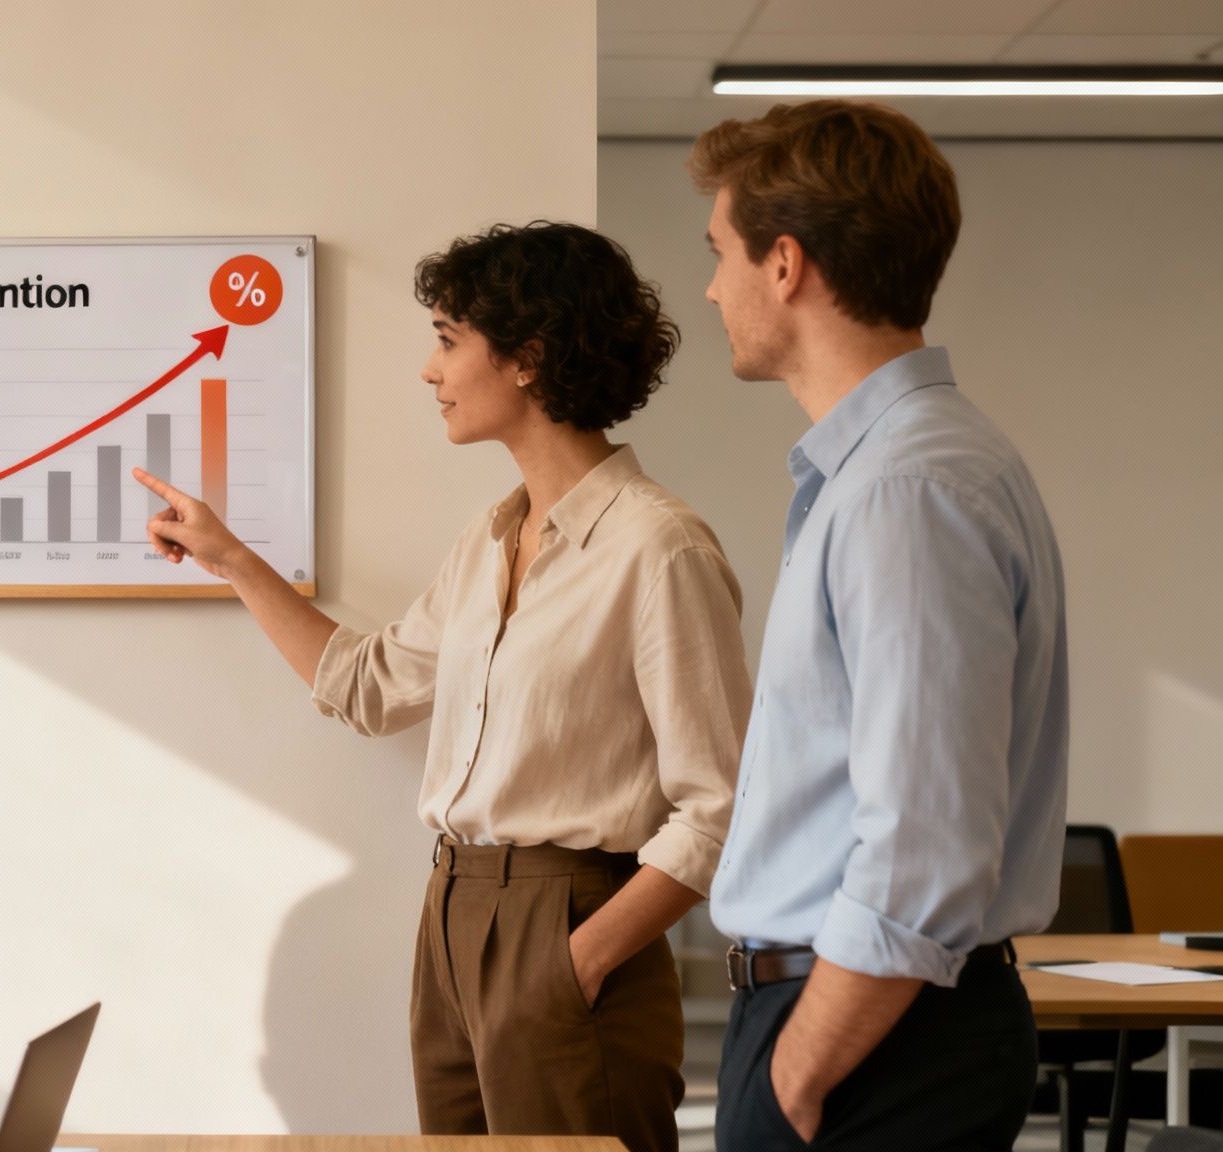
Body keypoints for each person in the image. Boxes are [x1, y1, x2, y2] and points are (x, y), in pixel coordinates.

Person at [134, 222, 750, 1152]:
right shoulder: (490, 538)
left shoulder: (658, 547)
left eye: (448, 338)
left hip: (571, 915)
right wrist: (230, 559)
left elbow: (720, 806)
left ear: (529, 359)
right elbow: (368, 685)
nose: (431, 370)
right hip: (452, 916)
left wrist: (577, 958)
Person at [693, 101, 1068, 1152]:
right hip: (864, 1023)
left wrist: (797, 1076)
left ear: (784, 265)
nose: (711, 287)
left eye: (718, 254)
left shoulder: (907, 489)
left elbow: (923, 840)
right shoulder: (891, 470)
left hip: (865, 1037)